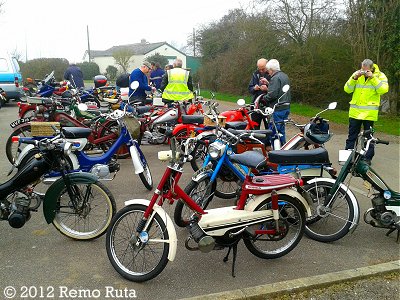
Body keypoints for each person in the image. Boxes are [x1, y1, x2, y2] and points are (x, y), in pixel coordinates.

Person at [344, 59, 389, 165]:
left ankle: (367, 159)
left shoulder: (380, 76)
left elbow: (383, 90)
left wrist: (372, 78)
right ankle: (348, 158)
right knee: (352, 136)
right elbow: (347, 89)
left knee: (369, 138)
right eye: (362, 69)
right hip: (355, 112)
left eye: (366, 70)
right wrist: (354, 78)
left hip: (369, 114)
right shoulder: (357, 74)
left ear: (371, 68)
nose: (363, 71)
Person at [263, 59, 291, 146]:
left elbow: (272, 95)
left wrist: (264, 98)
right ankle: (283, 148)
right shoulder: (284, 76)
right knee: (281, 130)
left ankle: (277, 153)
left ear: (271, 69)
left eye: (268, 71)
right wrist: (269, 84)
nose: (268, 73)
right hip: (285, 107)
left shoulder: (275, 78)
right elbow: (280, 91)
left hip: (277, 108)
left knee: (275, 132)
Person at [248, 58, 271, 129]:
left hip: (268, 104)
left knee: (269, 126)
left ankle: (268, 140)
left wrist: (267, 88)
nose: (261, 71)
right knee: (255, 125)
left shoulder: (272, 74)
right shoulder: (255, 74)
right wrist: (254, 88)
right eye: (259, 69)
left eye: (263, 69)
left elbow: (276, 90)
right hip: (256, 103)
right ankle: (255, 139)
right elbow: (250, 88)